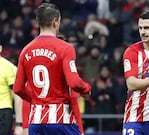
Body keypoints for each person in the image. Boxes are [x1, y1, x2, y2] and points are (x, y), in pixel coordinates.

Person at [13, 3, 91, 135]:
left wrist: (36, 100)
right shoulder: (65, 48)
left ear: (38, 22)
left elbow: (18, 88)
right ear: (56, 22)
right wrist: (86, 88)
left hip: (36, 121)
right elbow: (73, 82)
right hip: (61, 119)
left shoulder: (25, 51)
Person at [0, 43, 23, 135]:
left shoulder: (8, 67)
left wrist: (19, 124)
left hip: (3, 113)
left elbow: (17, 97)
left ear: (0, 48)